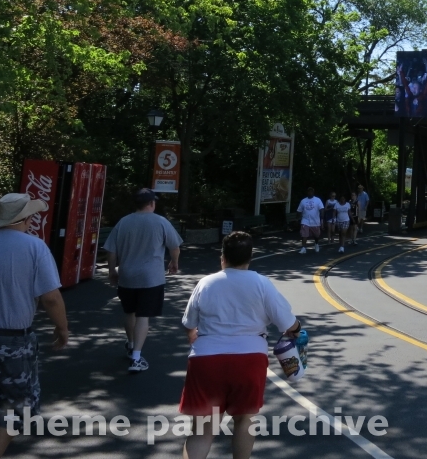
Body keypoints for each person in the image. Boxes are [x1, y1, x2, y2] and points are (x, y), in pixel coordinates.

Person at [0, 193, 69, 459]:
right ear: (26, 218)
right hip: (11, 342)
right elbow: (51, 298)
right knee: (16, 406)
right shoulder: (33, 247)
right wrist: (62, 329)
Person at [179, 231, 301, 459]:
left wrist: (194, 336)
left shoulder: (205, 283)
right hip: (249, 360)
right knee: (245, 419)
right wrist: (296, 329)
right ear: (249, 257)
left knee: (203, 430)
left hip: (206, 360)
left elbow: (189, 323)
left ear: (222, 256)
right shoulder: (262, 283)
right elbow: (287, 322)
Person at [103, 188, 182, 373]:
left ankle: (131, 345)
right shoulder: (161, 222)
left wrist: (112, 271)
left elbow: (111, 250)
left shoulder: (123, 222)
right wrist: (174, 262)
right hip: (151, 278)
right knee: (143, 316)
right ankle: (137, 358)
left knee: (129, 312)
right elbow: (175, 247)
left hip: (127, 276)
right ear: (152, 203)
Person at [297, 188, 323, 254]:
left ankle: (316, 244)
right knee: (304, 235)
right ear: (307, 192)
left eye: (311, 191)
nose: (310, 192)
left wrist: (322, 219)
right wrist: (297, 219)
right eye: (309, 191)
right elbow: (299, 210)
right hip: (305, 221)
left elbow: (321, 209)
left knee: (316, 235)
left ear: (313, 192)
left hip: (315, 221)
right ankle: (303, 248)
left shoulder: (317, 200)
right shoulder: (303, 201)